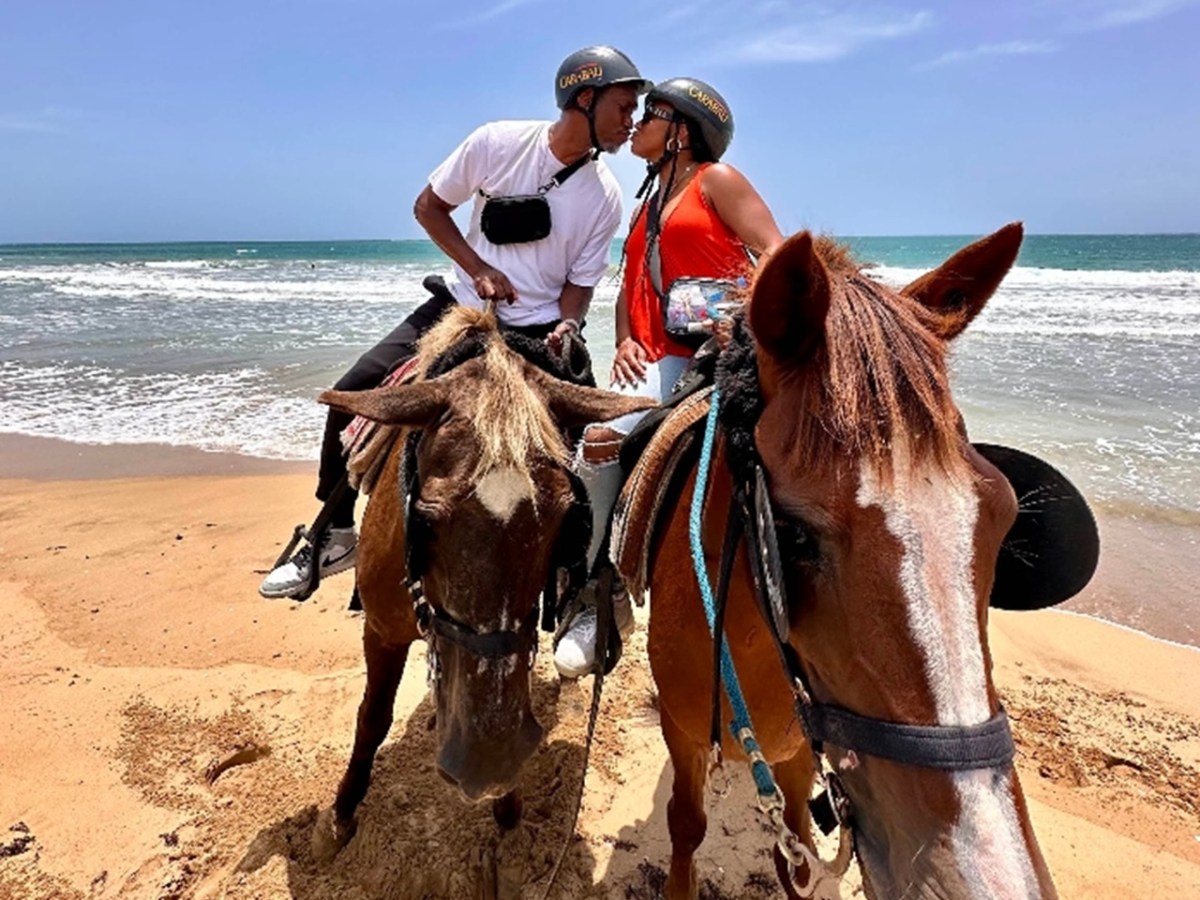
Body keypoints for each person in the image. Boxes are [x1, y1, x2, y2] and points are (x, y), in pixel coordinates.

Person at [260, 46, 650, 600]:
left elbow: (579, 284)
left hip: (538, 332)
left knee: (593, 447)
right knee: (351, 393)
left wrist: (569, 323)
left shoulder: (605, 196)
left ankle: (584, 587)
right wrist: (479, 268)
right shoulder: (496, 143)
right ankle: (334, 533)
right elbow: (428, 207)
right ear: (583, 99)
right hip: (461, 310)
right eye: (622, 106)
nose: (630, 120)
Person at [553, 77, 785, 677]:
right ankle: (596, 589)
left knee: (600, 444)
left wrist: (741, 319)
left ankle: (598, 596)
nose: (638, 123)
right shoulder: (646, 202)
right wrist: (628, 336)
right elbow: (630, 286)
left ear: (681, 131)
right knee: (582, 445)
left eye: (651, 114)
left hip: (708, 355)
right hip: (652, 356)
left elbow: (778, 256)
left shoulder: (717, 182)